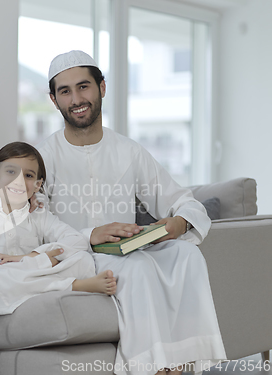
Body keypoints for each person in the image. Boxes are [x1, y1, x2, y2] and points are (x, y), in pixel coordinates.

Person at [36, 50, 227, 375]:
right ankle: (154, 369)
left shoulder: (128, 150)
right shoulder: (42, 156)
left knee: (186, 256)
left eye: (83, 87)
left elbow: (184, 200)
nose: (76, 98)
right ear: (54, 100)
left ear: (102, 88)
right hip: (75, 256)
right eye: (65, 91)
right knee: (136, 268)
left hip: (126, 250)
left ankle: (184, 364)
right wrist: (89, 235)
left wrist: (177, 223)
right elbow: (33, 220)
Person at [0, 142, 116, 315]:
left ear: (37, 185)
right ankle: (72, 286)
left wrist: (31, 257)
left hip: (27, 278)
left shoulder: (38, 214)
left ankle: (15, 298)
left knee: (83, 259)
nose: (19, 181)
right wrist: (44, 261)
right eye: (11, 171)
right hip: (4, 277)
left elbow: (77, 240)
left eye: (28, 175)